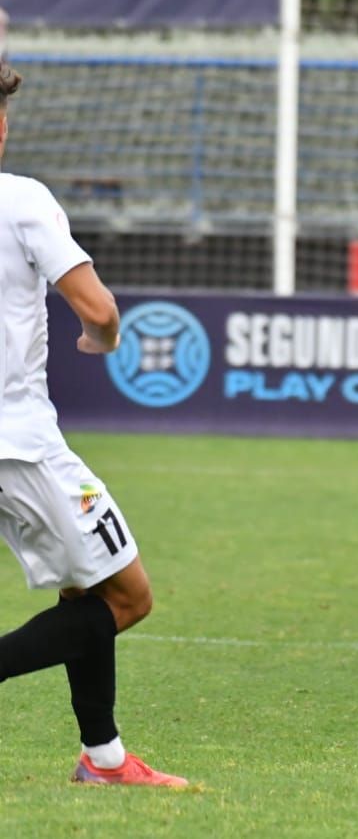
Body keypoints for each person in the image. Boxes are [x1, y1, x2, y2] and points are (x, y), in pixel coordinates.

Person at [0, 61, 188, 787]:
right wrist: (99, 342)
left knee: (84, 587)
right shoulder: (21, 200)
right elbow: (102, 311)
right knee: (128, 596)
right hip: (19, 443)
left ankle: (103, 758)